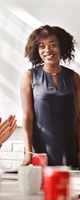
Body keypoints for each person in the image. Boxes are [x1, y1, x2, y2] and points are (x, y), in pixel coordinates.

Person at [20, 25, 80, 168]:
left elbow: (78, 118)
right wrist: (28, 152)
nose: (47, 50)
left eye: (53, 45)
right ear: (37, 50)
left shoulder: (74, 77)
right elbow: (28, 118)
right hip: (41, 152)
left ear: (62, 47)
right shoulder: (29, 76)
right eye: (42, 46)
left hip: (69, 150)